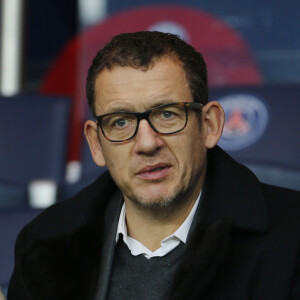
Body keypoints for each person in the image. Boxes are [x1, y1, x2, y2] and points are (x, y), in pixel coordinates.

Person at [8, 31, 300, 300]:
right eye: (120, 122)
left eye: (167, 115)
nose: (147, 143)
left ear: (209, 125)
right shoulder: (43, 243)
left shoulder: (292, 237)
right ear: (96, 144)